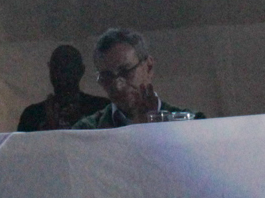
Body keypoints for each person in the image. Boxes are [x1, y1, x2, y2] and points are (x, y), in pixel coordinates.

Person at [73, 28, 204, 129]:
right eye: (107, 76)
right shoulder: (85, 132)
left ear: (148, 67)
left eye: (125, 71)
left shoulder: (192, 124)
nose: (118, 86)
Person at [16, 44, 110, 131]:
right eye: (56, 67)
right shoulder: (32, 115)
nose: (61, 74)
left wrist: (80, 121)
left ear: (81, 70)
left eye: (68, 68)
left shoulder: (102, 109)